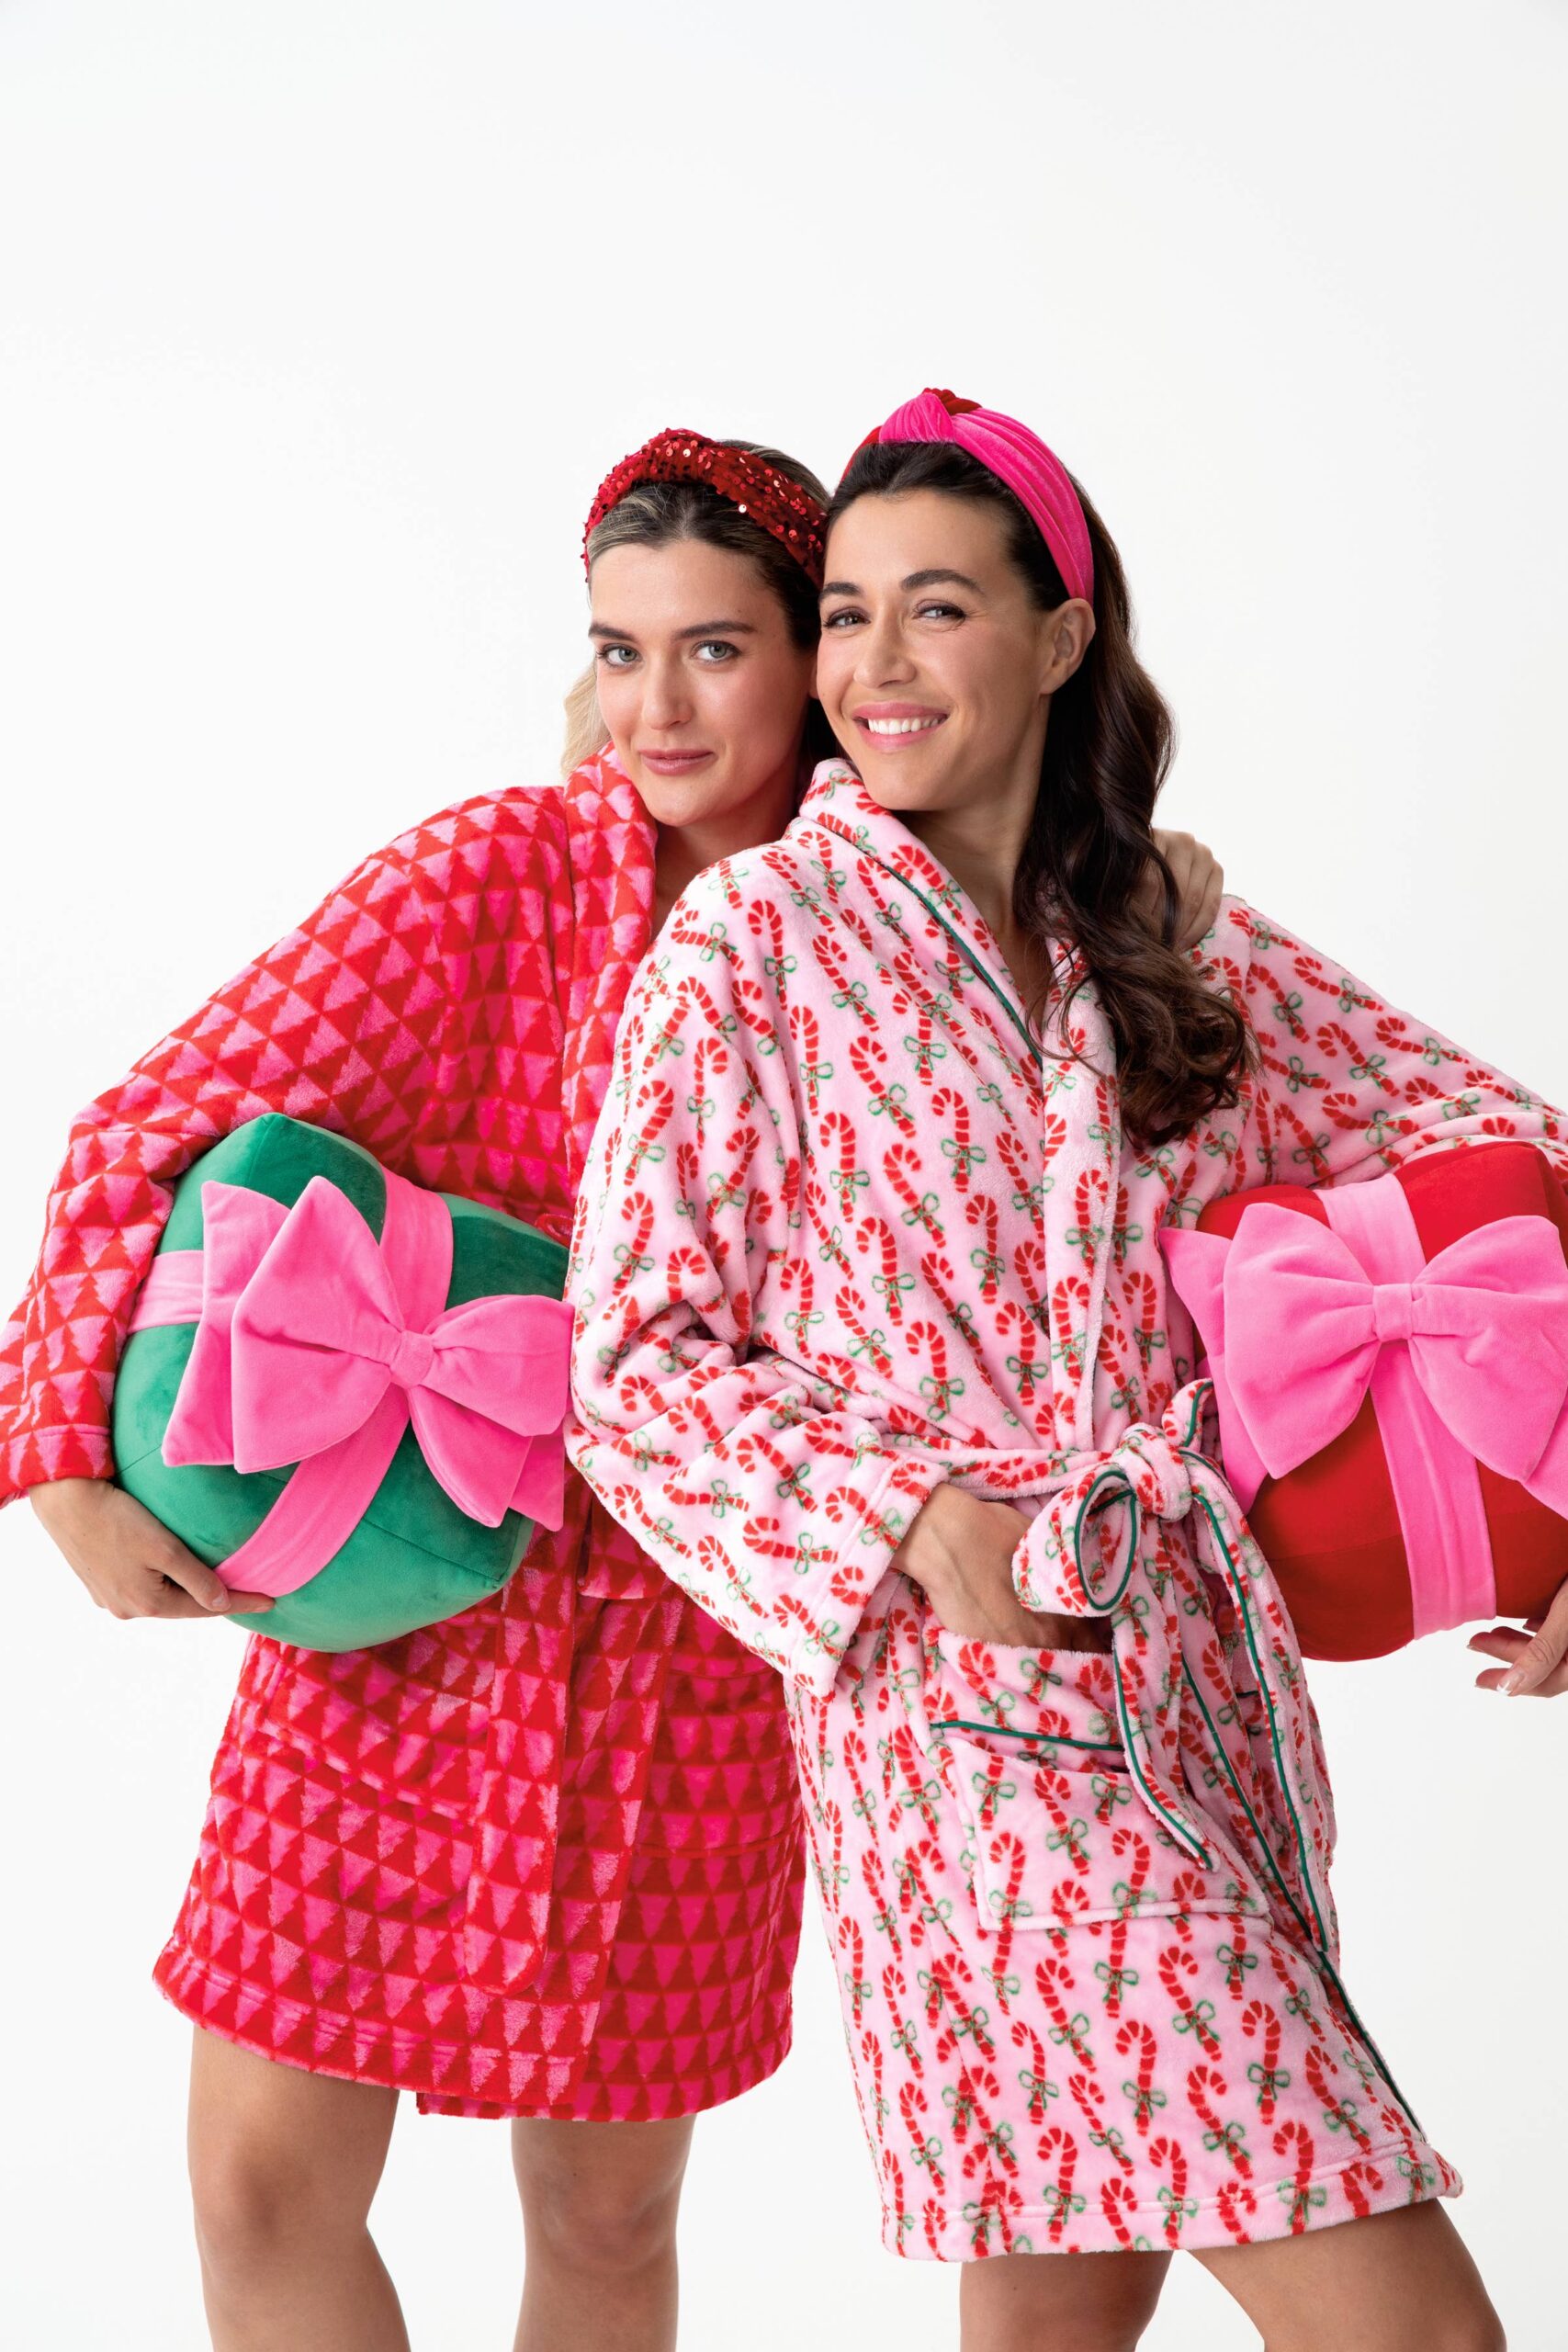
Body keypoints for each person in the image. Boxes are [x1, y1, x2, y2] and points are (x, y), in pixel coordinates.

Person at [2, 417, 1224, 2352]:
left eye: (716, 648)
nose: (657, 705)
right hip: (392, 1626)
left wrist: (1146, 893)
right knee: (256, 2182)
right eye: (618, 647)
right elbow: (149, 1121)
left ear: (814, 660)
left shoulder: (913, 924)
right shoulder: (486, 877)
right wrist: (59, 1454)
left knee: (602, 2210)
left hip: (701, 1659)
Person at [568, 389, 1568, 2349]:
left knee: (1050, 2320)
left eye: (935, 608)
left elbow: (1512, 1159)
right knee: (1410, 2327)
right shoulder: (754, 945)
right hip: (960, 1723)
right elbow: (632, 1362)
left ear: (1059, 635)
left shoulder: (1168, 939)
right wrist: (913, 1519)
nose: (874, 663)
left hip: (1194, 1686)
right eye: (843, 615)